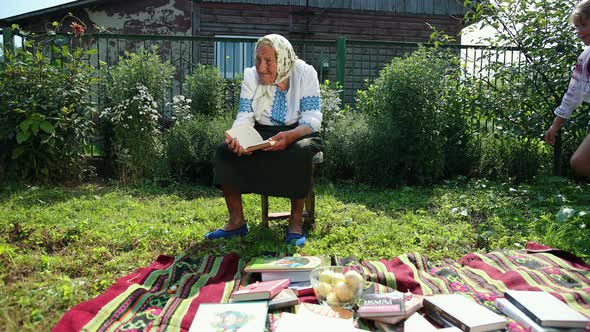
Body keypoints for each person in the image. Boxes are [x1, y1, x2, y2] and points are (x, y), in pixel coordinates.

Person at [205, 34, 323, 246]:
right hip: (262, 130)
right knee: (224, 151)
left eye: (268, 61)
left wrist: (290, 136)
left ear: (284, 59)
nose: (261, 67)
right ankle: (236, 222)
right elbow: (245, 116)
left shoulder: (305, 73)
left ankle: (295, 223)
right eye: (258, 60)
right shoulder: (251, 76)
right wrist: (238, 137)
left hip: (298, 131)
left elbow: (312, 119)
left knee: (301, 151)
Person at [545, 0, 590, 176]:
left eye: (584, 25)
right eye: (577, 27)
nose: (579, 32)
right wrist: (555, 126)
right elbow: (572, 94)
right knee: (579, 163)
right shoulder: (585, 58)